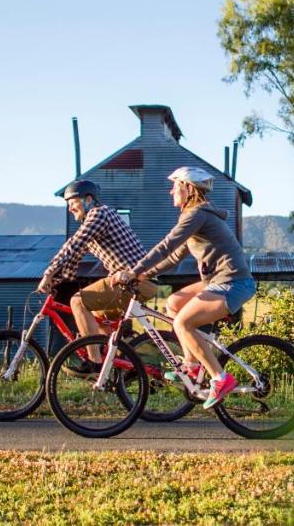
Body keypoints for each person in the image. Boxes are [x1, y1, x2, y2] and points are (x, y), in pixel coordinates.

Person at [114, 166, 256, 409]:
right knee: (174, 303)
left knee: (182, 323)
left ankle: (220, 378)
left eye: (175, 186)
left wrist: (134, 271)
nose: (171, 192)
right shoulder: (195, 216)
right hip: (219, 281)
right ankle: (191, 365)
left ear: (188, 189)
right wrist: (144, 275)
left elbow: (165, 247)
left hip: (232, 282)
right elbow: (173, 257)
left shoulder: (196, 215)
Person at [38, 179, 157, 359]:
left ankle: (95, 363)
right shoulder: (95, 220)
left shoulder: (99, 214)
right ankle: (122, 367)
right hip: (137, 282)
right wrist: (56, 280)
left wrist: (48, 274)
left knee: (77, 301)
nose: (70, 209)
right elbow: (75, 256)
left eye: (73, 203)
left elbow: (75, 245)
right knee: (97, 319)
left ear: (88, 199)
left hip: (134, 281)